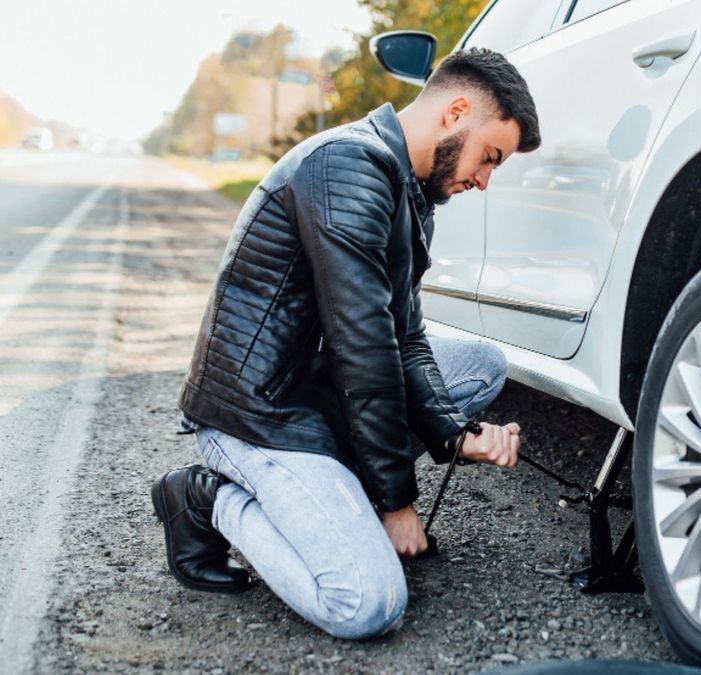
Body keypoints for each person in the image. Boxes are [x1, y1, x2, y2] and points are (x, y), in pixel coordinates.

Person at [151, 47, 540, 639]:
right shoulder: (346, 168)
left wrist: (454, 435)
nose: (484, 180)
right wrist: (395, 503)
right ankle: (206, 499)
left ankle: (333, 496)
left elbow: (405, 338)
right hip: (260, 414)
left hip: (317, 392)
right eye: (490, 157)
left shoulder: (411, 191)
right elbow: (366, 350)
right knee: (366, 603)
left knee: (482, 364)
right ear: (456, 110)